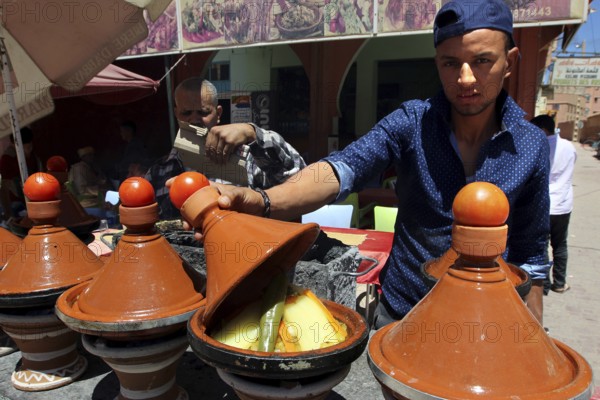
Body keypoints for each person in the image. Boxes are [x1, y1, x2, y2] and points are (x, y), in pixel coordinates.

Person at [182, 0, 551, 327]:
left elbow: (531, 254)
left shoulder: (531, 145)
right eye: (451, 63)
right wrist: (264, 200)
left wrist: (532, 336)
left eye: (482, 60)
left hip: (486, 322)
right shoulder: (412, 123)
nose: (465, 78)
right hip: (404, 310)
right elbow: (343, 168)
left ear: (510, 62)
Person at [145, 78, 306, 220]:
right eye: (186, 112)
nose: (194, 119)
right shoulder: (158, 172)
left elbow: (299, 178)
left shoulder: (249, 160)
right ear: (176, 113)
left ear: (218, 113)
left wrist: (253, 133)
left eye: (203, 112)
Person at [531, 114, 576, 295]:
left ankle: (545, 284)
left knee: (542, 245)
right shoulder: (569, 146)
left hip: (543, 203)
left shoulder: (537, 145)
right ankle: (559, 282)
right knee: (560, 245)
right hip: (563, 204)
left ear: (542, 129)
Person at [0, 127, 42, 222]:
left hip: (34, 200)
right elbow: (3, 188)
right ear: (15, 144)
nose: (28, 150)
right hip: (16, 205)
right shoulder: (7, 159)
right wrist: (9, 214)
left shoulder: (33, 155)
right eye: (26, 147)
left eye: (30, 146)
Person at [68, 146, 110, 218]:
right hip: (87, 203)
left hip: (94, 200)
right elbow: (81, 189)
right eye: (89, 155)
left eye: (92, 155)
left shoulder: (89, 167)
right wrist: (99, 190)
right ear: (83, 157)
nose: (92, 157)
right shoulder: (79, 168)